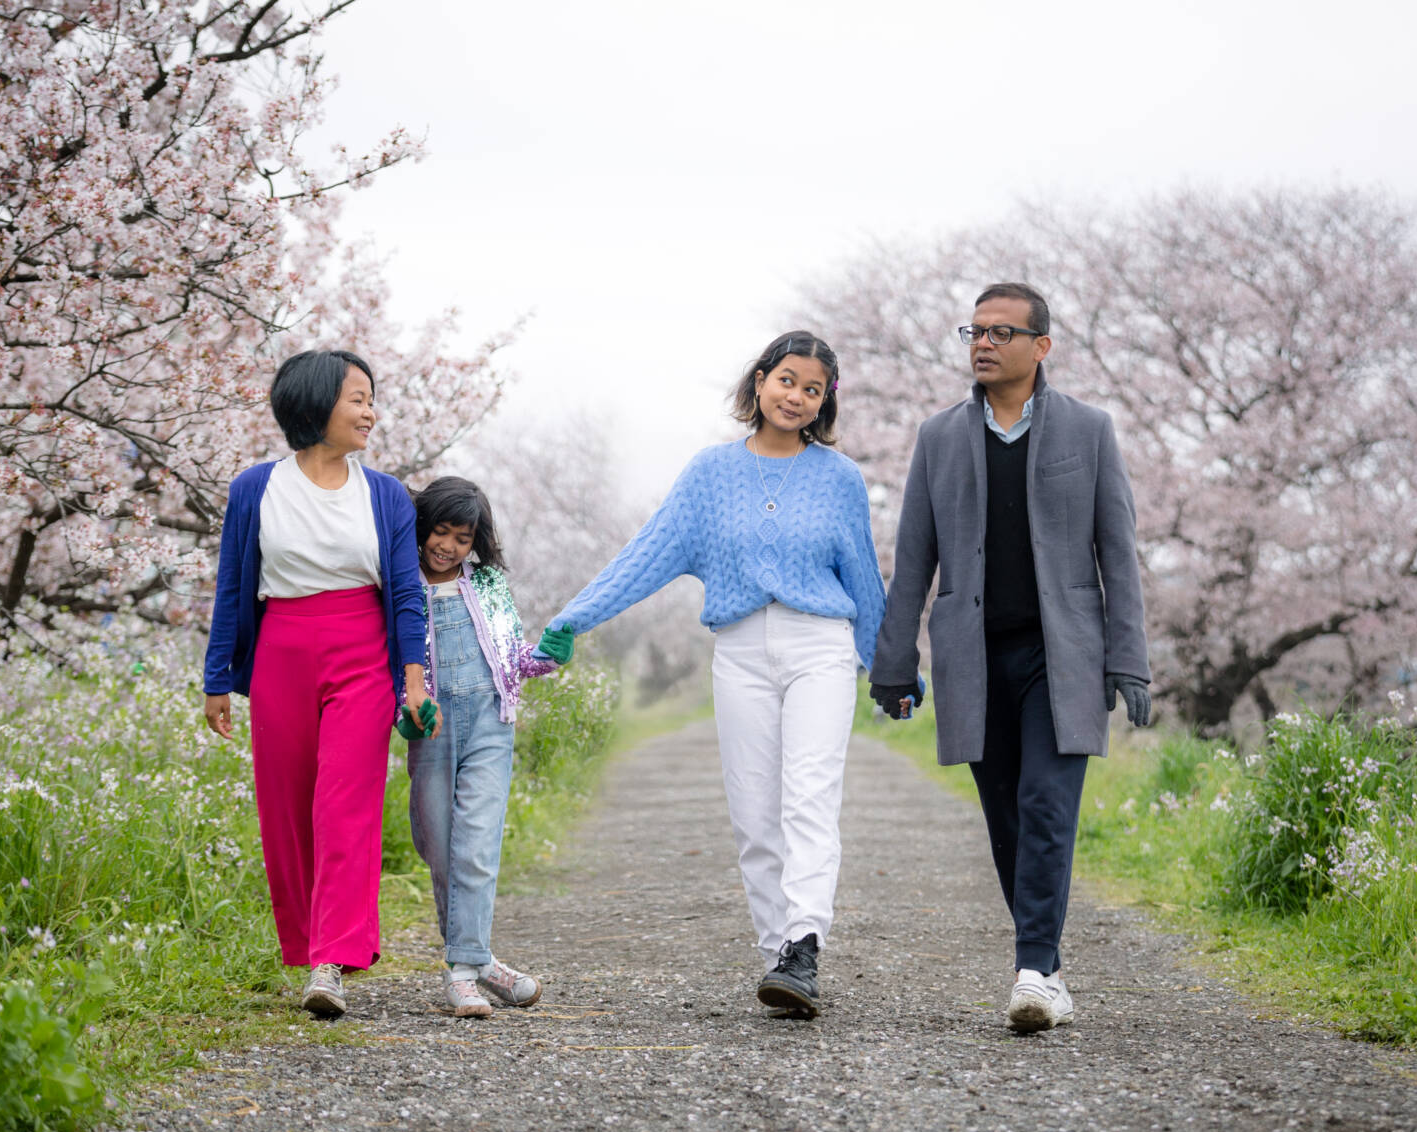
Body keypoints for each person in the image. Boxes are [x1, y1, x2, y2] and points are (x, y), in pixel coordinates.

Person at [533, 331, 885, 1019]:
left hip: (820, 646)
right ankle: (778, 958)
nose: (797, 397)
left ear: (824, 403)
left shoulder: (839, 479)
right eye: (787, 380)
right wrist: (571, 618)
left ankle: (805, 943)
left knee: (808, 796)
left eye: (813, 389)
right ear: (759, 381)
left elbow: (864, 578)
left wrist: (890, 664)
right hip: (742, 650)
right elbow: (646, 555)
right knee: (755, 811)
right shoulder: (709, 474)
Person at [868, 283, 1151, 1034]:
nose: (983, 343)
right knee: (1004, 819)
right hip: (974, 658)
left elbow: (1117, 554)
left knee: (1045, 804)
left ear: (1041, 346)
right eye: (975, 330)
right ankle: (1047, 968)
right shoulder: (939, 438)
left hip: (1063, 659)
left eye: (1001, 332)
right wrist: (893, 663)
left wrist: (1130, 660)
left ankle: (1032, 968)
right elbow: (914, 559)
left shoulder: (1089, 431)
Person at [202, 349, 437, 1019]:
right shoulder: (255, 488)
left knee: (343, 805)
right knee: (287, 808)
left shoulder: (385, 495)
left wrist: (413, 682)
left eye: (371, 398)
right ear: (316, 404)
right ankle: (310, 946)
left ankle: (329, 961)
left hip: (362, 654)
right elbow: (233, 586)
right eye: (358, 398)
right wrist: (217, 676)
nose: (371, 412)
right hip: (281, 651)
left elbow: (404, 597)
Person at [402, 475, 562, 1017]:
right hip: (432, 728)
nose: (448, 546)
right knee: (439, 845)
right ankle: (480, 961)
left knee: (476, 845)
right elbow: (388, 662)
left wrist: (552, 651)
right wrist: (402, 712)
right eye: (439, 532)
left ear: (477, 542)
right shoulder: (400, 584)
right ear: (421, 528)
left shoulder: (487, 583)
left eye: (462, 538)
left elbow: (515, 657)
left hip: (491, 723)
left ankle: (463, 973)